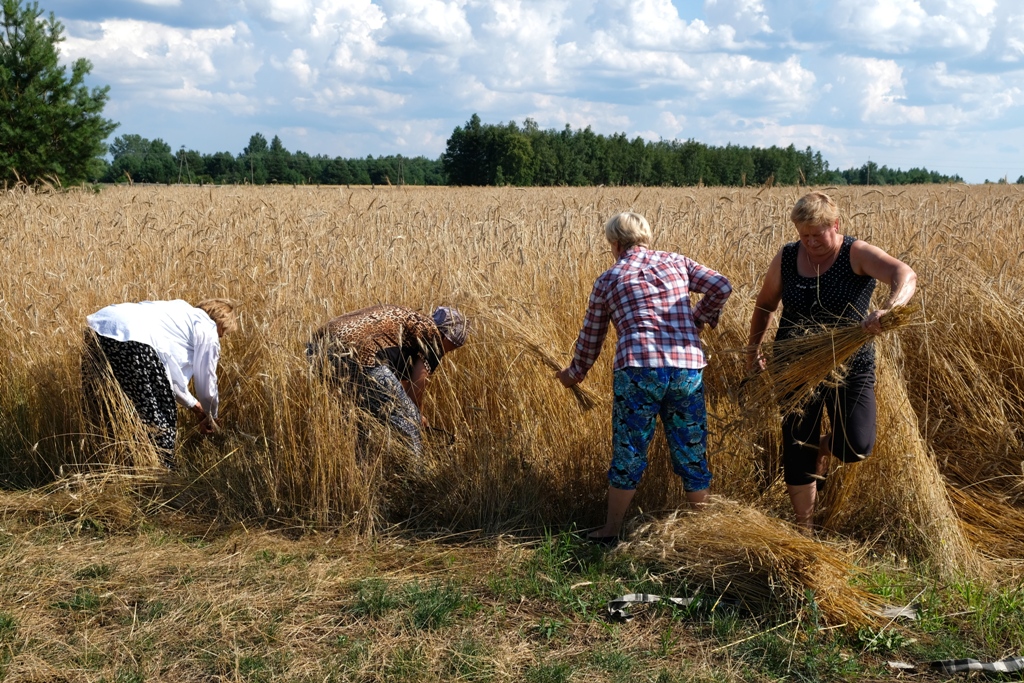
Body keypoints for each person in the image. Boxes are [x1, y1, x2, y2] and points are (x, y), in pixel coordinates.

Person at [745, 191, 917, 531]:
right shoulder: (787, 257)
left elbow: (905, 274)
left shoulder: (856, 253)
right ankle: (805, 529)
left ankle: (823, 448)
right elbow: (765, 304)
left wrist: (890, 308)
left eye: (817, 234)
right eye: (803, 235)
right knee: (798, 446)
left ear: (835, 225)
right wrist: (754, 349)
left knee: (857, 445)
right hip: (794, 365)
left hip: (850, 364)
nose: (810, 242)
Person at [557, 212, 732, 543]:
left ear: (615, 243)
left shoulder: (609, 279)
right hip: (686, 370)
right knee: (691, 451)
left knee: (630, 451)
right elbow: (721, 285)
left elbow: (592, 336)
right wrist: (697, 318)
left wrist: (574, 373)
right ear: (646, 238)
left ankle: (611, 530)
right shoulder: (676, 262)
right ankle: (707, 534)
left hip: (638, 370)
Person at [83, 298, 238, 468]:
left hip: (98, 329)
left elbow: (169, 378)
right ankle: (160, 471)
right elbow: (207, 381)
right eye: (224, 332)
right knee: (161, 418)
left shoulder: (178, 311)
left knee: (109, 405)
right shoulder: (207, 327)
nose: (221, 336)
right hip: (134, 341)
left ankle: (104, 464)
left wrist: (195, 407)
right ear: (220, 322)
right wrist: (211, 416)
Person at [308, 304, 468, 456]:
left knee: (364, 418)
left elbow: (398, 383)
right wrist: (417, 415)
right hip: (359, 353)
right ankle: (414, 473)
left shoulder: (411, 322)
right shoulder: (432, 334)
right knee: (409, 422)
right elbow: (417, 385)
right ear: (447, 336)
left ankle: (362, 469)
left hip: (316, 348)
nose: (452, 350)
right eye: (454, 345)